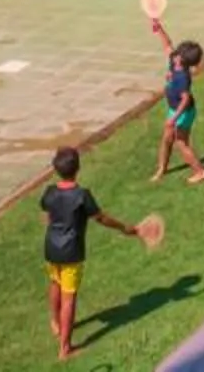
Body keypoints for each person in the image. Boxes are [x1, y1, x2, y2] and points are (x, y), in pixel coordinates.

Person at [39, 146, 143, 362]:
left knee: (54, 283)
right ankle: (65, 349)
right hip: (71, 253)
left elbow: (47, 217)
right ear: (78, 168)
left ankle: (55, 323)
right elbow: (101, 218)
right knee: (69, 298)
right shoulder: (82, 196)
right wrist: (124, 228)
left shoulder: (49, 192)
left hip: (51, 248)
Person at [148, 18, 204, 184]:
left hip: (183, 112)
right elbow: (167, 44)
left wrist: (173, 119)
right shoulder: (175, 61)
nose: (174, 54)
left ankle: (200, 171)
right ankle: (162, 169)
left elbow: (185, 99)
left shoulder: (183, 77)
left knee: (181, 143)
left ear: (184, 60)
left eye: (179, 54)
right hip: (174, 109)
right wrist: (158, 28)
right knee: (166, 139)